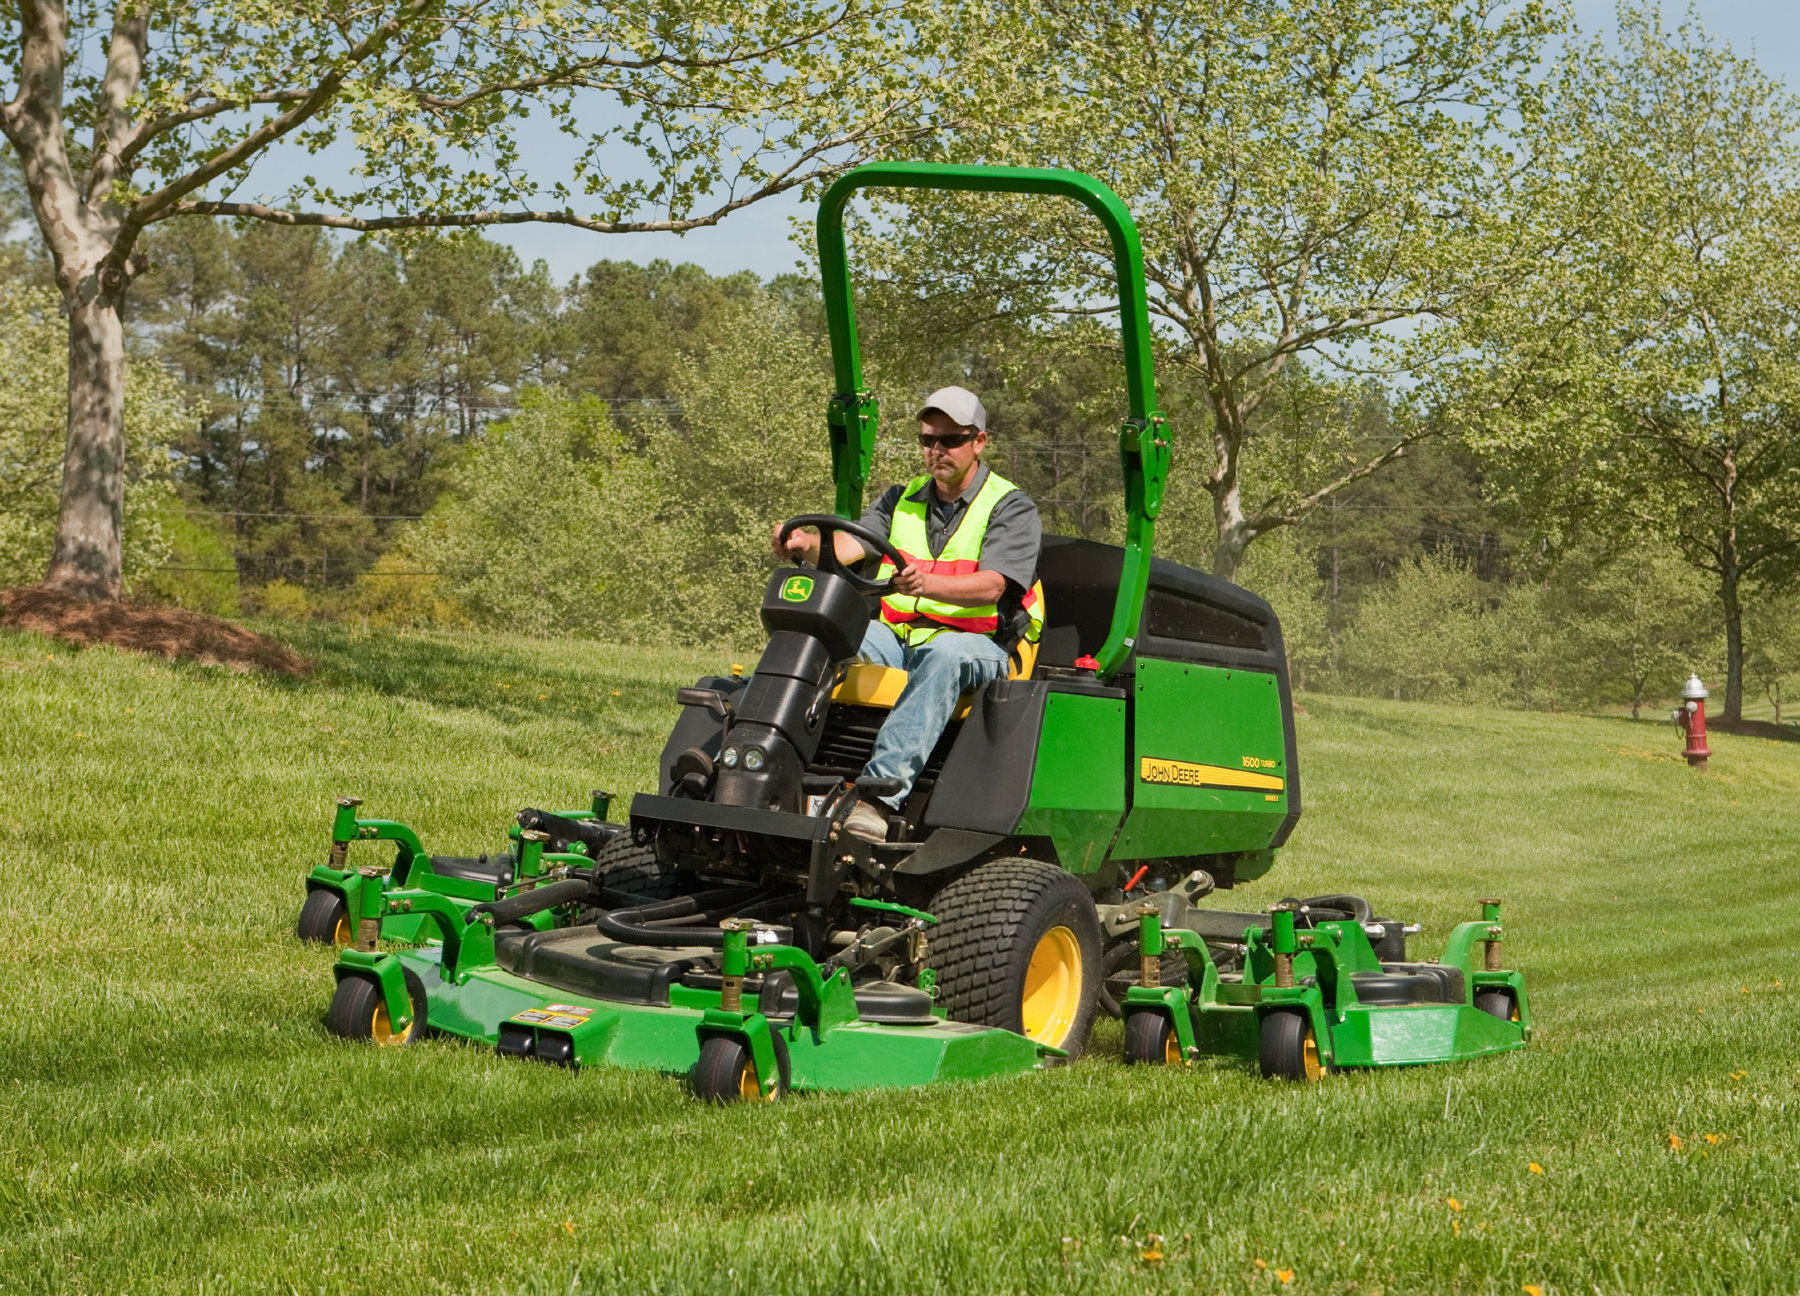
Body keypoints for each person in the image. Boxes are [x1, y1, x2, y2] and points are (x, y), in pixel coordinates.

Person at [772, 385, 1042, 843]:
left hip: (981, 647)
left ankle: (878, 798)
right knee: (826, 635)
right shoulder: (901, 498)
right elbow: (847, 549)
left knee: (945, 655)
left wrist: (926, 584)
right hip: (900, 639)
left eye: (950, 440)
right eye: (928, 440)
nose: (937, 450)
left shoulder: (1010, 506)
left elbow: (994, 585)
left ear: (979, 442)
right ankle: (769, 761)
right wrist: (805, 543)